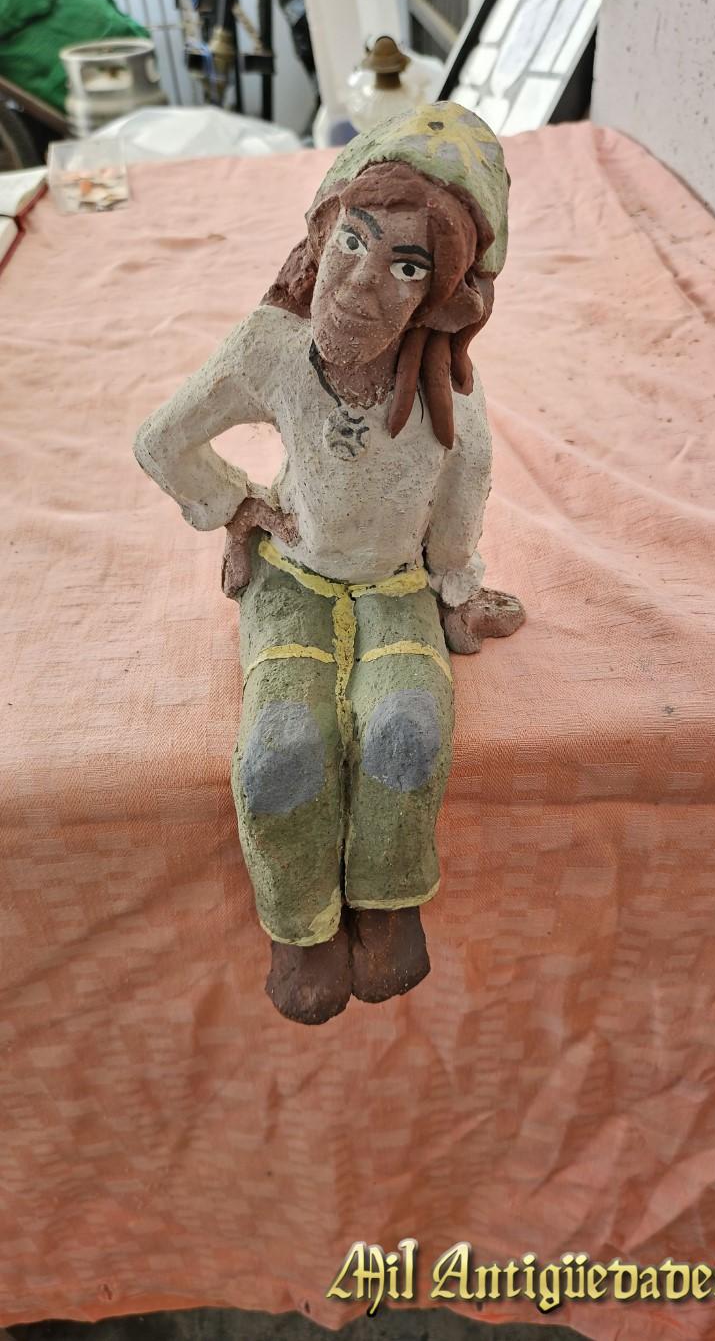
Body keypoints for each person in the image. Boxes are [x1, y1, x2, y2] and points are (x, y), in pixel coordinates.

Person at [134, 102, 523, 1026]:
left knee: (407, 732)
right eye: (353, 240)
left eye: (409, 266)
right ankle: (300, 923)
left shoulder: (451, 409)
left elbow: (456, 513)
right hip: (294, 575)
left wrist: (455, 591)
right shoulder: (271, 349)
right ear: (320, 233)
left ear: (447, 299)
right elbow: (164, 441)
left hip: (395, 587)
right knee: (281, 750)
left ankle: (387, 904)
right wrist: (240, 506)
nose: (360, 284)